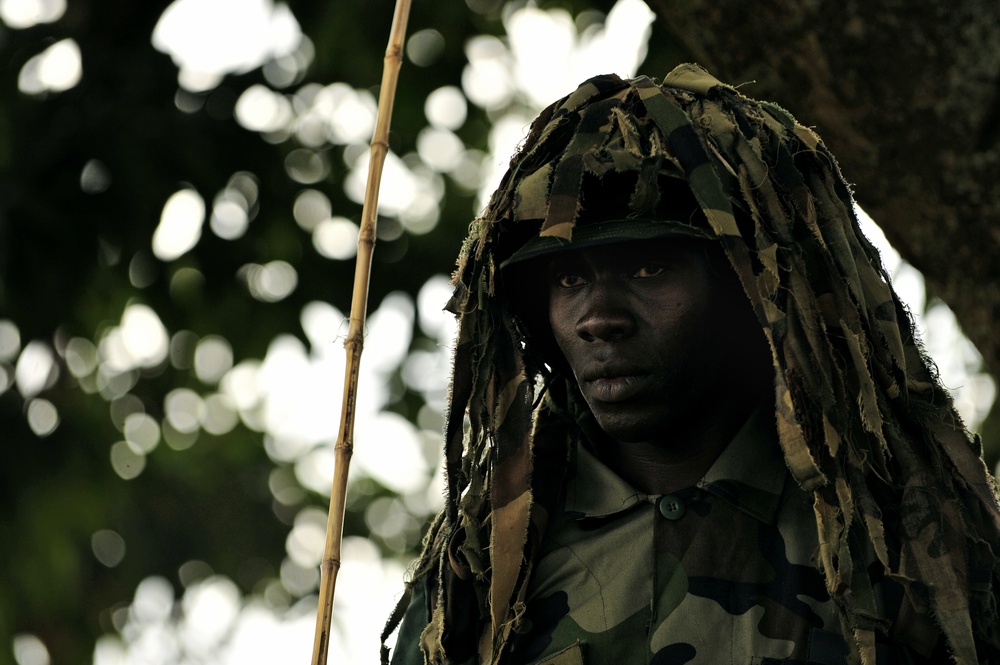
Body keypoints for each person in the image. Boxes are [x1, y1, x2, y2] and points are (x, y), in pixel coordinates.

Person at [381, 63, 1000, 665]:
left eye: (649, 269)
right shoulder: (483, 581)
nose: (599, 317)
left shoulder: (902, 548)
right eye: (569, 278)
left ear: (748, 290)